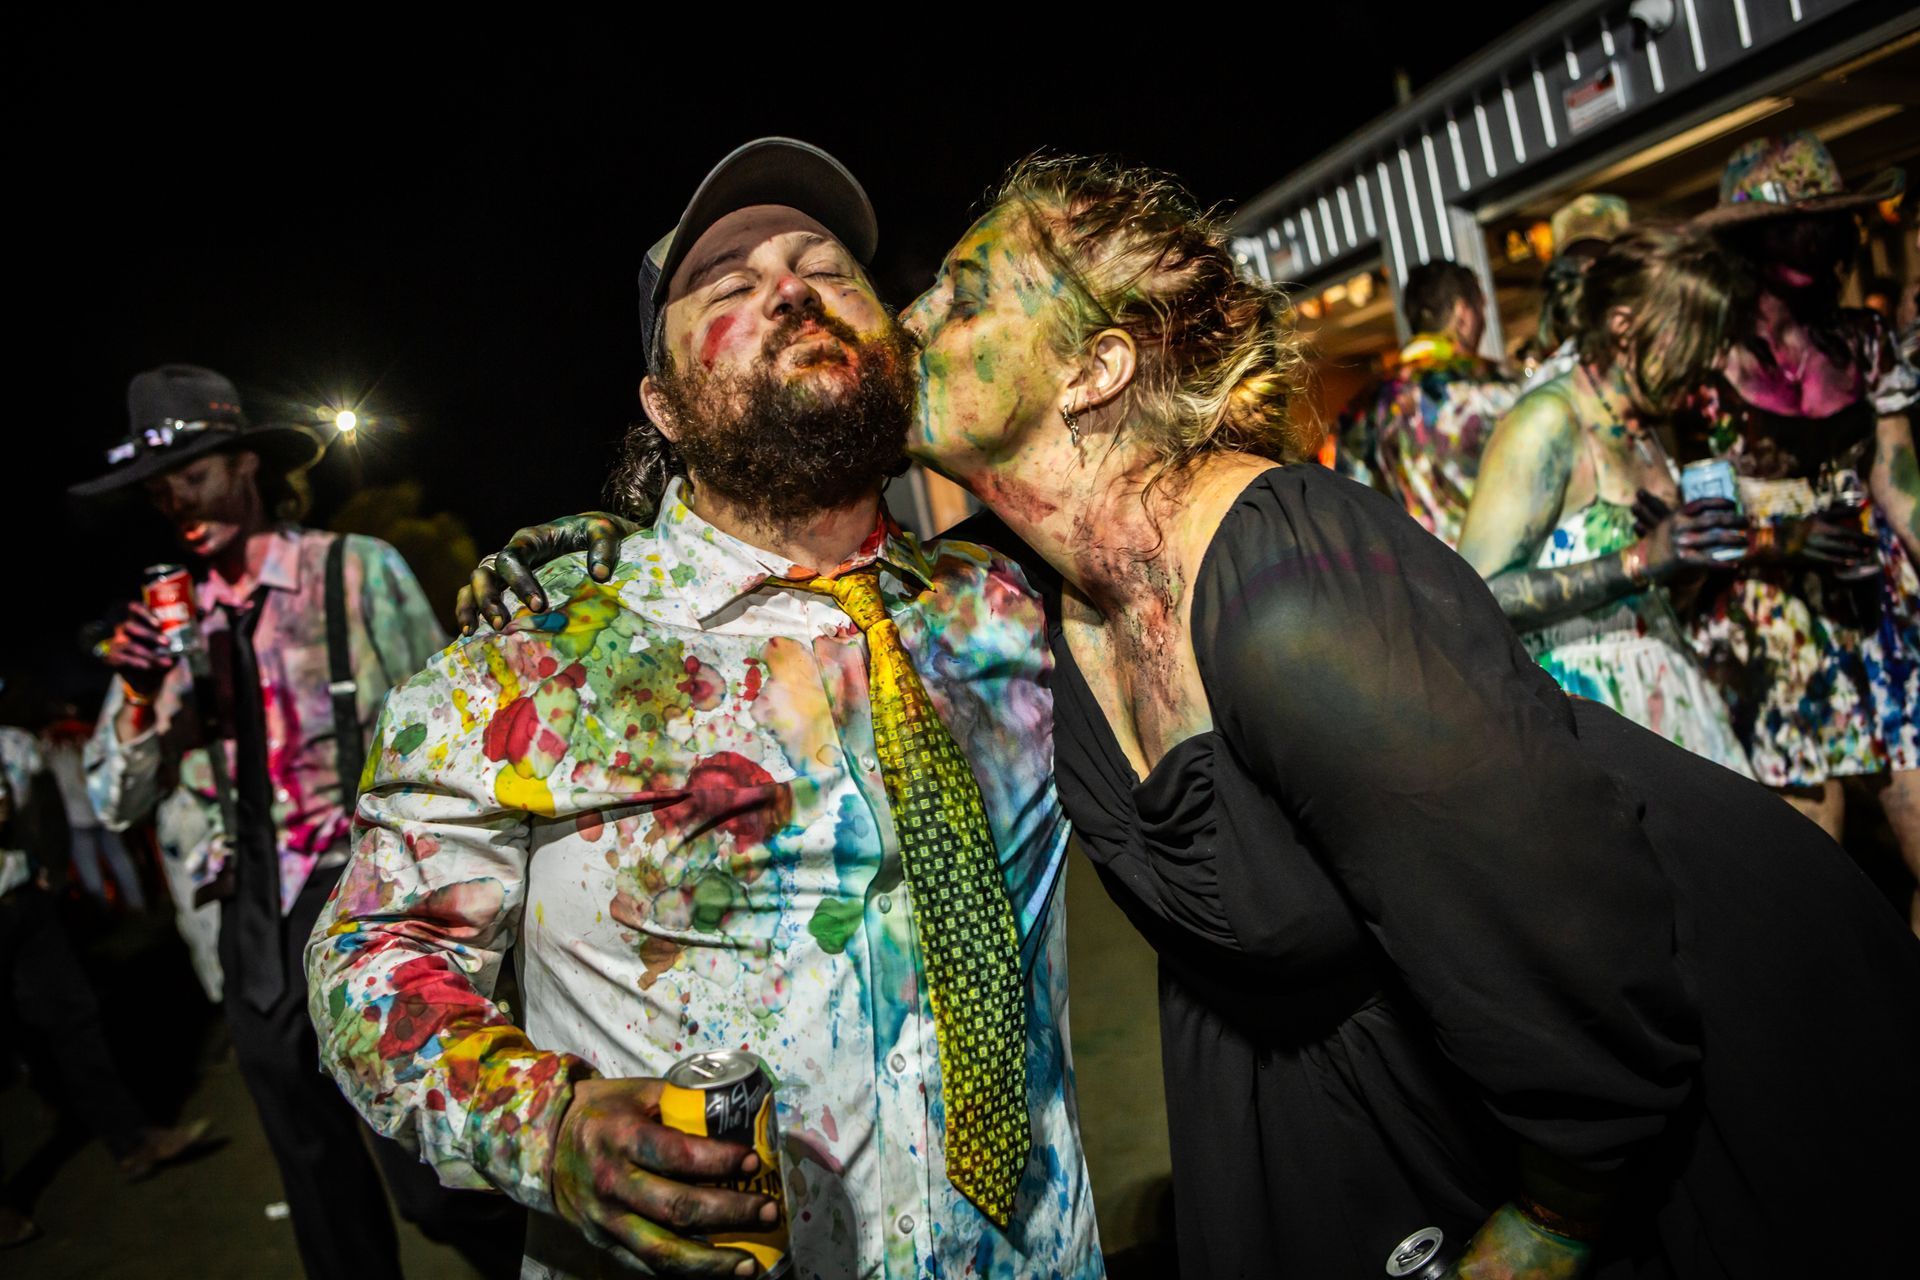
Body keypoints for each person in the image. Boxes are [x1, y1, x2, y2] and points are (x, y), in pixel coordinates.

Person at [483, 153, 1920, 1278]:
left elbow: (1580, 969)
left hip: (1678, 1083)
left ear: (1097, 370)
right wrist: (608, 579)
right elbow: (786, 560)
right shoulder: (1008, 601)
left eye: (964, 297)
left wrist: (1542, 1229)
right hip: (1378, 1098)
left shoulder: (1295, 597)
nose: (909, 314)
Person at [306, 140, 1101, 1280]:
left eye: (826, 268)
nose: (790, 288)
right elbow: (371, 959)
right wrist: (554, 1127)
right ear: (663, 405)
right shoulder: (527, 672)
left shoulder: (1012, 609)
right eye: (728, 287)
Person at [73, 365, 523, 1279]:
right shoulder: (167, 624)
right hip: (243, 924)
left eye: (191, 475)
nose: (175, 502)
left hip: (357, 897)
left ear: (244, 463)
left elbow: (450, 747)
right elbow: (112, 802)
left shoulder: (353, 573)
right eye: (161, 489)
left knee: (436, 1187)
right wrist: (138, 696)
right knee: (320, 1195)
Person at [1674, 133, 1920, 910]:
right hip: (1768, 618)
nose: (1812, 235)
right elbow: (1687, 516)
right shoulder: (1701, 362)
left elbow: (1899, 480)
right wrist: (1783, 539)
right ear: (1748, 239)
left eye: (1828, 219)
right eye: (1791, 221)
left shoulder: (1864, 339)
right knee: (1819, 880)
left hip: (1876, 605)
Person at [1455, 226, 1755, 775]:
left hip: (1672, 701)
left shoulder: (1643, 427)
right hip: (1588, 722)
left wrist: (1687, 562)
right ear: (1623, 325)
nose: (1711, 358)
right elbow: (1479, 591)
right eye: (1693, 333)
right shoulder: (1549, 421)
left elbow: (1652, 593)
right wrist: (1641, 559)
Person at [1, 721, 213, 1248]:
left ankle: (132, 1139)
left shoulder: (15, 743)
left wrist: (50, 865)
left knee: (75, 1019)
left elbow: (44, 805)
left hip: (23, 898)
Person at [1337, 259, 1517, 547]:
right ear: (1462, 312)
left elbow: (1355, 509)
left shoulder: (1360, 407)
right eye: (1481, 307)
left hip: (1422, 579)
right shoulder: (1489, 383)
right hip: (1499, 563)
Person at [1523, 194, 1630, 391]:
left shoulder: (1653, 353)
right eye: (1575, 263)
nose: (1586, 271)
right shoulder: (1550, 381)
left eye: (1601, 261)